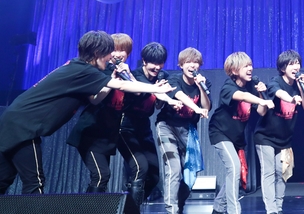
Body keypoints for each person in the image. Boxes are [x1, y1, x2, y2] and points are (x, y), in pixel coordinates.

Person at [0, 31, 174, 195]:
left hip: (14, 121)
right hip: (24, 126)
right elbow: (121, 85)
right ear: (98, 53)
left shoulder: (77, 67)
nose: (111, 57)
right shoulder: (84, 71)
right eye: (109, 52)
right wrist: (155, 88)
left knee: (4, 179)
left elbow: (97, 98)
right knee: (34, 183)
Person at [66, 33, 135, 193]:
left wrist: (129, 75)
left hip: (107, 136)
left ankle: (95, 205)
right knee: (101, 175)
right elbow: (94, 99)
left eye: (123, 50)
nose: (118, 54)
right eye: (114, 50)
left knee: (102, 178)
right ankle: (91, 206)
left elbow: (137, 95)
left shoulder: (125, 74)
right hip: (90, 134)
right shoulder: (100, 71)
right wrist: (112, 79)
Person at [209, 52, 274, 214]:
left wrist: (261, 94)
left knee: (236, 171)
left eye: (250, 65)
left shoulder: (252, 85)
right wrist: (261, 100)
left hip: (236, 137)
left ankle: (218, 207)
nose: (250, 69)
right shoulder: (228, 87)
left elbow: (261, 112)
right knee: (234, 166)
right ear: (234, 70)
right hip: (220, 132)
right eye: (245, 66)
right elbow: (242, 96)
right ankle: (234, 210)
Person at [119, 42, 182, 208]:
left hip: (144, 128)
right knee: (140, 168)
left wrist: (169, 100)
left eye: (160, 63)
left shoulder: (162, 75)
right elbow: (147, 91)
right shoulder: (135, 76)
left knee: (153, 176)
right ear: (144, 61)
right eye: (153, 63)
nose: (157, 67)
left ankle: (129, 207)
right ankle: (132, 210)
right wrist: (162, 94)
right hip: (125, 127)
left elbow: (159, 99)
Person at [155, 47, 212, 214]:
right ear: (181, 65)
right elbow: (179, 95)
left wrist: (201, 87)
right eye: (188, 62)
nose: (192, 65)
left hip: (188, 131)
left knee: (190, 174)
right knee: (174, 169)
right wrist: (196, 108)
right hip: (167, 126)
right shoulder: (174, 79)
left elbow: (207, 106)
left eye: (195, 62)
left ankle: (179, 206)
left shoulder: (203, 82)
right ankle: (171, 210)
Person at [254, 50, 304, 214]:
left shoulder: (298, 85)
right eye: (291, 64)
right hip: (265, 136)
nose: (296, 67)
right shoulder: (275, 82)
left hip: (284, 139)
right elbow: (279, 93)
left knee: (281, 173)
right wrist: (292, 99)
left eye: (297, 63)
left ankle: (278, 208)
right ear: (282, 68)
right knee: (269, 172)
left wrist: (302, 88)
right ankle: (271, 210)